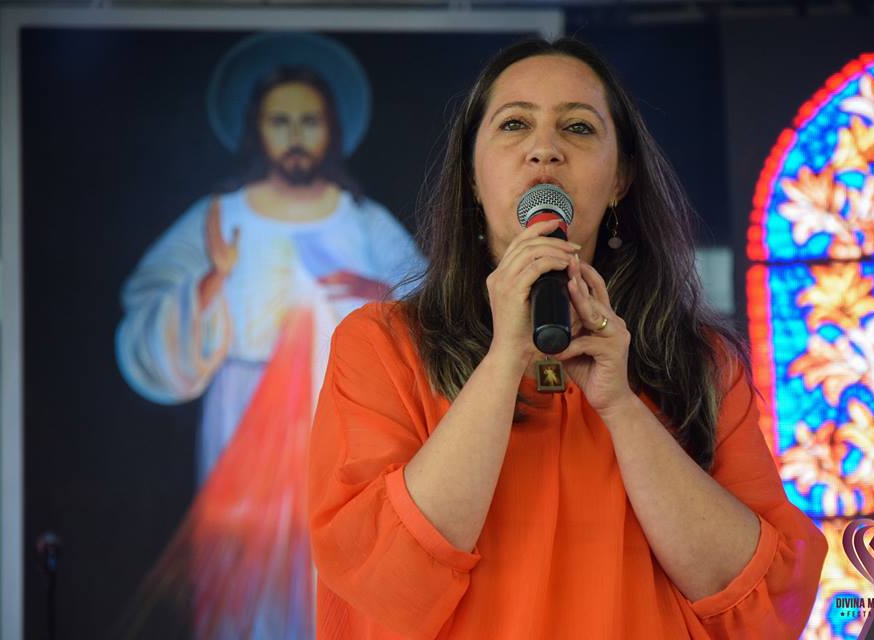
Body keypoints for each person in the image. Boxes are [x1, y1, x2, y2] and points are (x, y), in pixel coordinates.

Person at [307, 37, 828, 639]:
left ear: (620, 178)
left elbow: (760, 601)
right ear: (472, 176)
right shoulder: (381, 345)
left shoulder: (703, 364)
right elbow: (385, 574)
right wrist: (505, 358)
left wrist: (621, 406)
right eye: (514, 124)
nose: (544, 149)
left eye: (578, 127)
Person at [115, 33, 425, 638]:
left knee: (331, 564)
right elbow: (146, 305)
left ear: (331, 129)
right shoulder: (222, 215)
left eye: (309, 121)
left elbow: (432, 303)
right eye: (280, 121)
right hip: (243, 419)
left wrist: (380, 289)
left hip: (341, 417)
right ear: (256, 130)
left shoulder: (363, 220)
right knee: (244, 571)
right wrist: (210, 282)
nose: (295, 135)